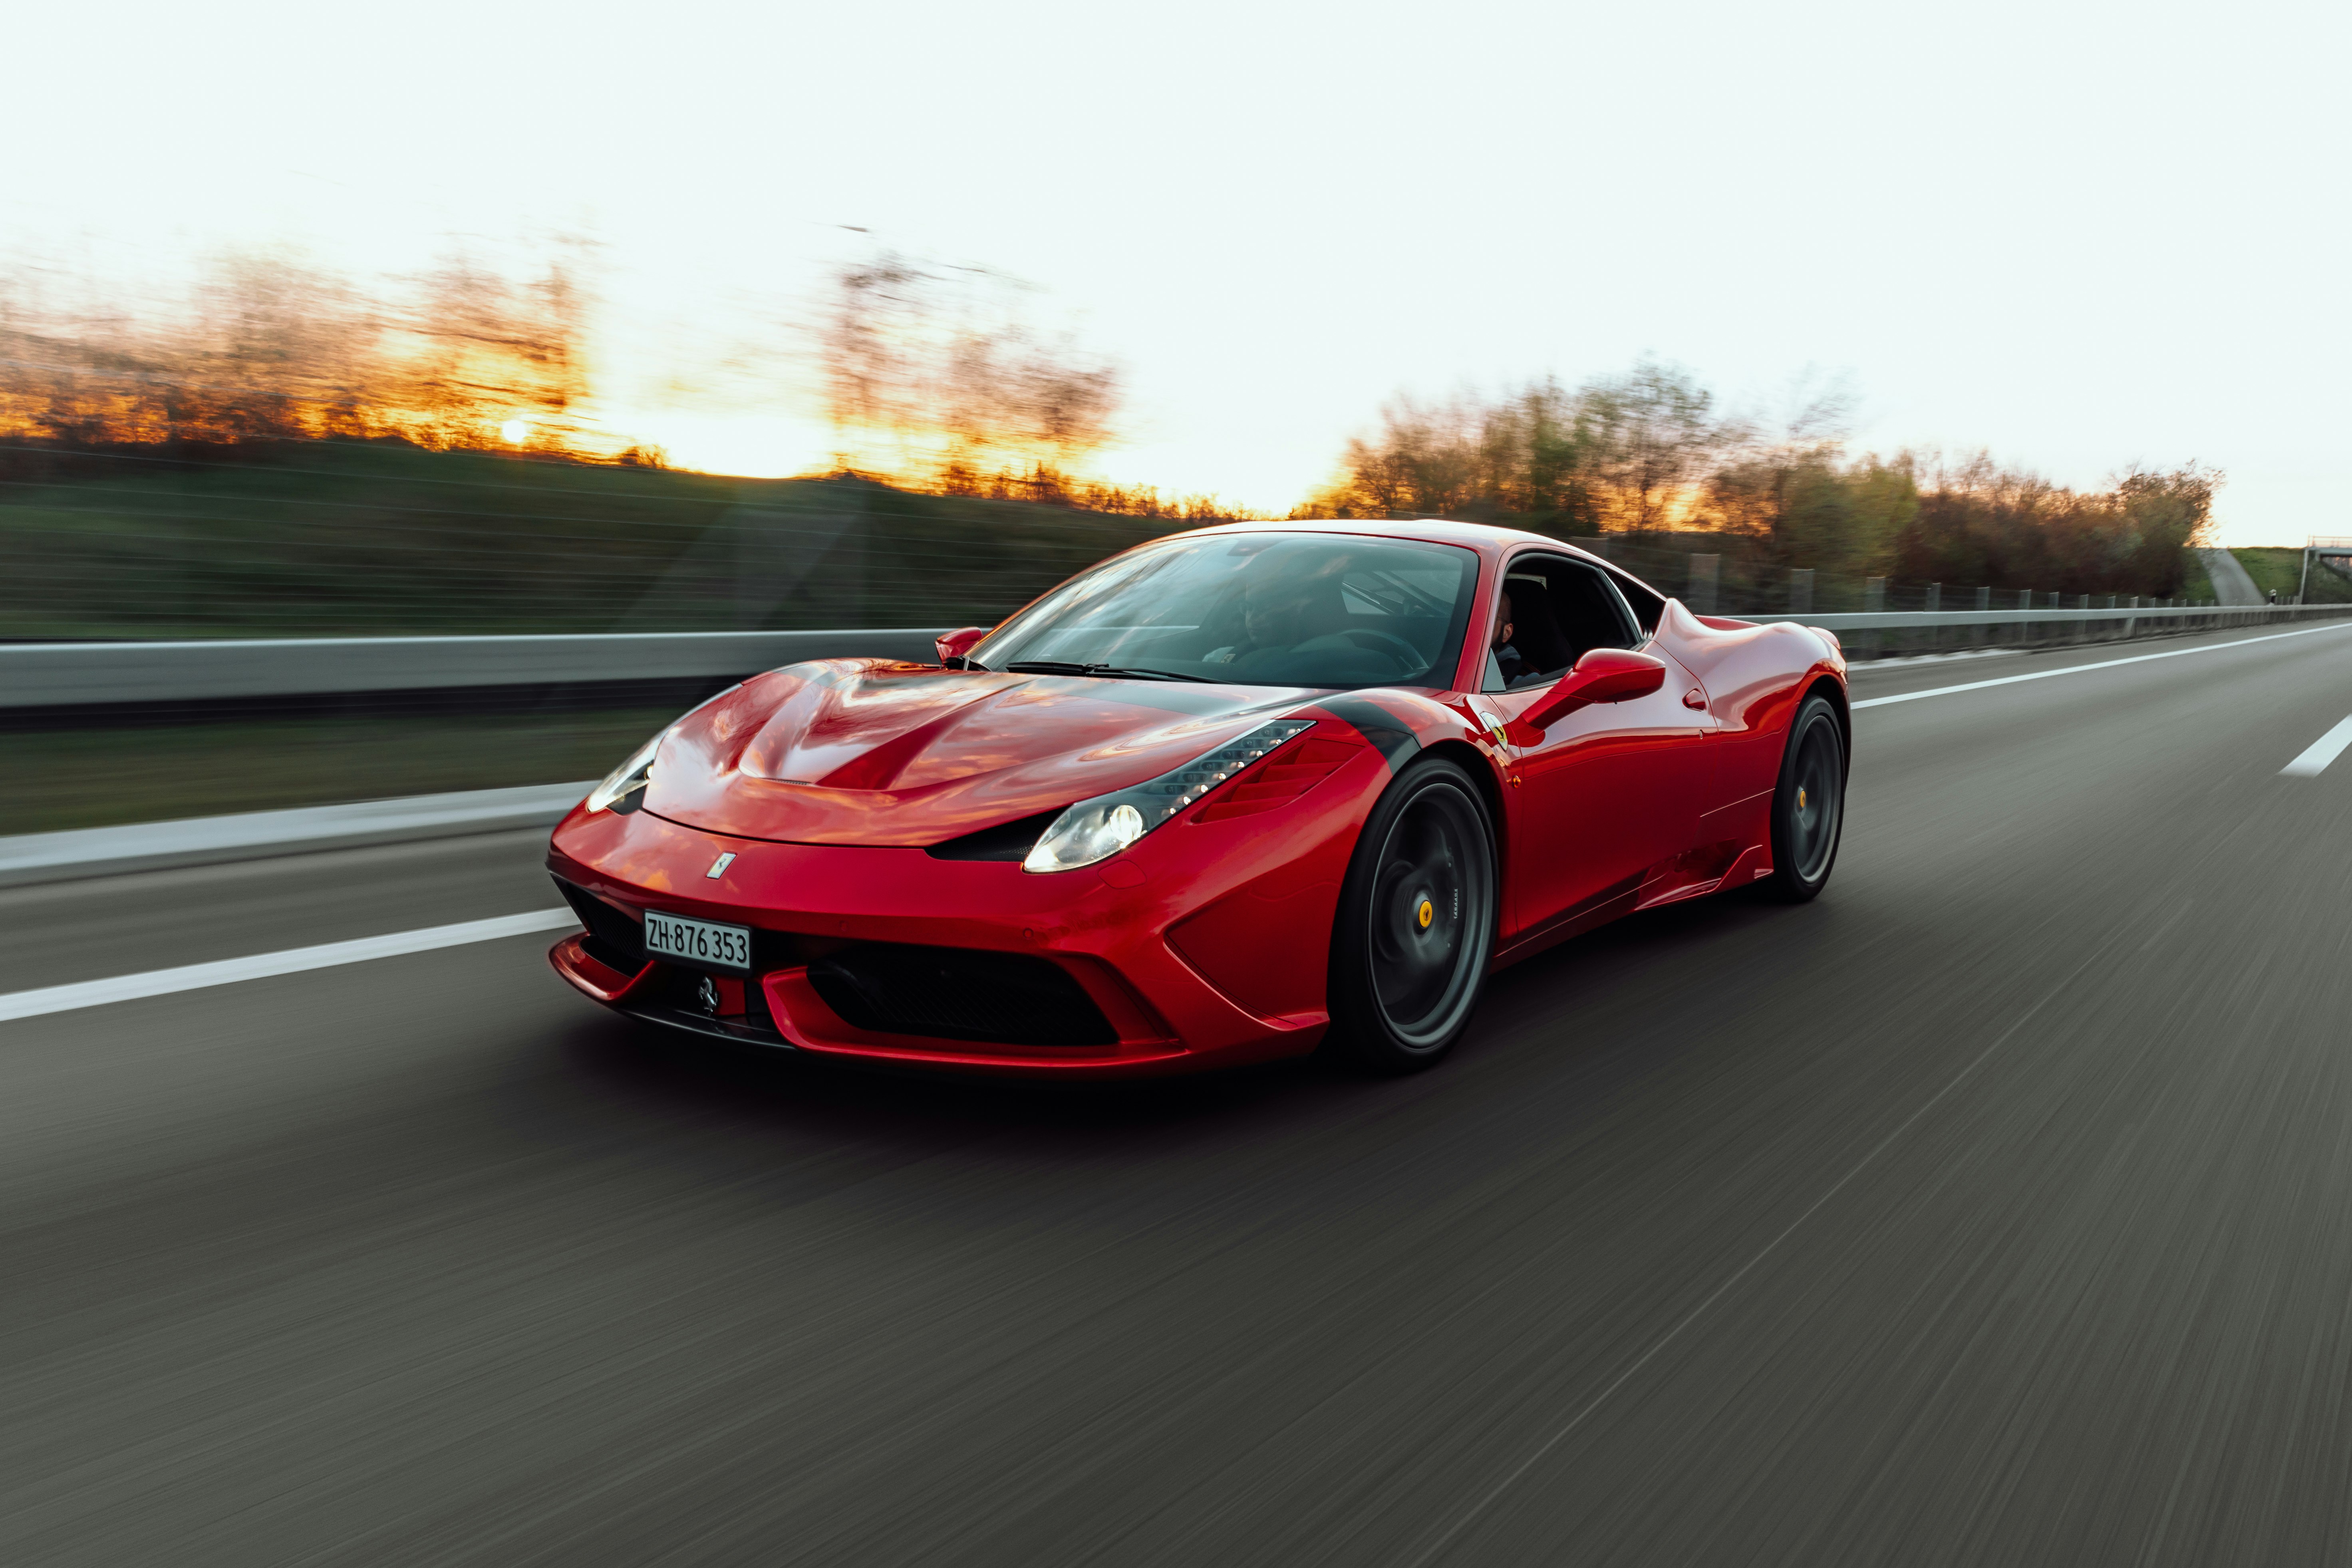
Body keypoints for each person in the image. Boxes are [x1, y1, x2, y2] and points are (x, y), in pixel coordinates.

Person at [1491, 590, 1527, 686]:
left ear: (1506, 633)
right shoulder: (1449, 652)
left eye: (1489, 617)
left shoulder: (1523, 684)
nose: (1477, 622)